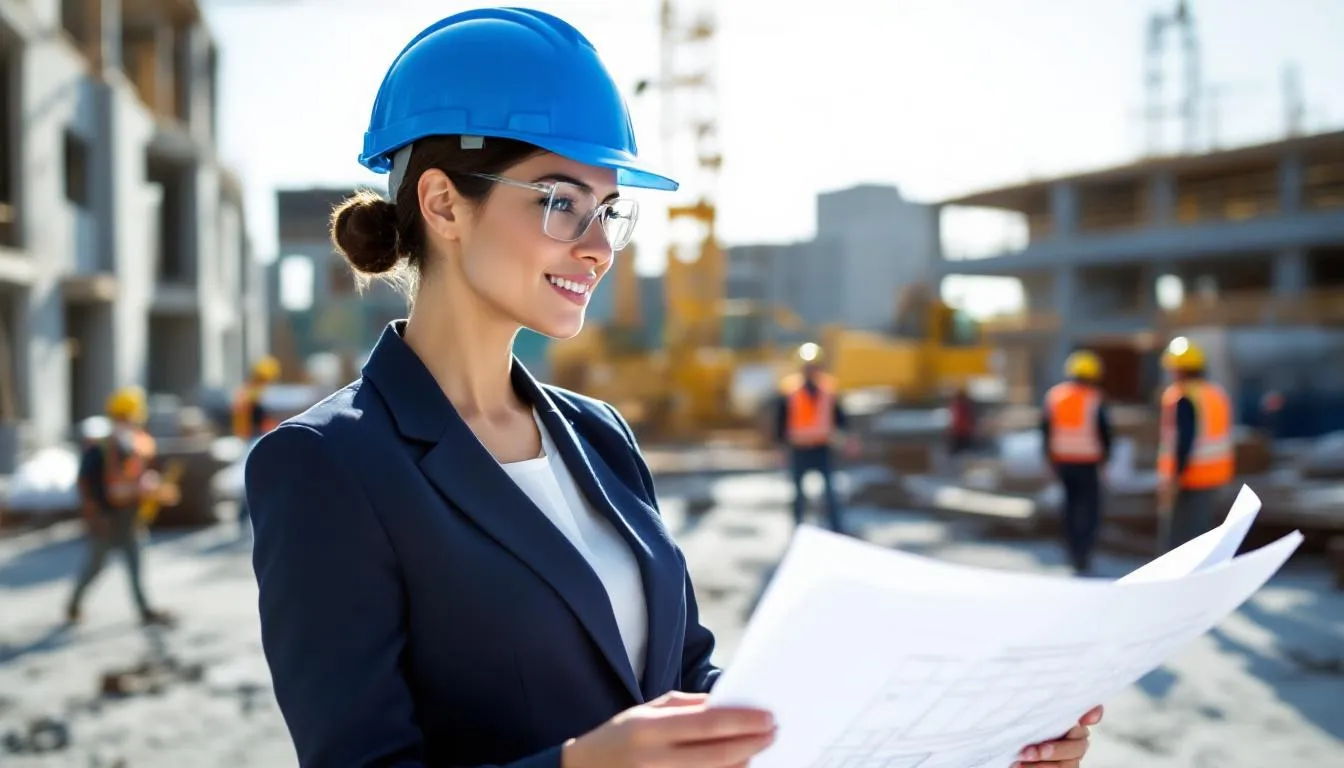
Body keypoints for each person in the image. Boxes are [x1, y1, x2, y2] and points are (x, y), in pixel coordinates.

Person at [243, 8, 1102, 767]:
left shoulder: (599, 435)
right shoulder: (329, 469)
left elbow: (690, 680)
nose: (599, 246)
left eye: (609, 210)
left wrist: (968, 739)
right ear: (442, 203)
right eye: (559, 201)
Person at [66, 386, 174, 626]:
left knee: (136, 565)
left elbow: (134, 478)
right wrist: (96, 515)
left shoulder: (134, 446)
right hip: (107, 519)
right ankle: (73, 605)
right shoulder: (99, 448)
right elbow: (93, 487)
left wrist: (150, 487)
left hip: (130, 517)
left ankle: (145, 610)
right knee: (94, 566)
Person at [1156, 336, 1235, 553]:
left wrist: (1174, 477)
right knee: (1201, 534)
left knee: (1180, 539)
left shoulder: (1184, 397)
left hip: (1190, 477)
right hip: (1213, 475)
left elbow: (1184, 440)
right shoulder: (1215, 393)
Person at [774, 342, 858, 534]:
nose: (811, 370)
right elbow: (781, 421)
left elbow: (840, 417)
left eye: (814, 367)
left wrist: (850, 439)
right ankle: (798, 530)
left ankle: (837, 530)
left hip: (822, 448)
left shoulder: (828, 390)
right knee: (798, 496)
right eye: (807, 367)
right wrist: (780, 447)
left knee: (830, 493)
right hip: (799, 449)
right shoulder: (790, 390)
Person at [1042, 350, 1112, 575]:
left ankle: (1073, 552)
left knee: (1070, 507)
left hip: (1063, 462)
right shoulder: (1095, 398)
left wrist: (1049, 459)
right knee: (1089, 509)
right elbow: (1105, 433)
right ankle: (1084, 553)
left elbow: (1045, 430)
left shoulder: (1055, 396)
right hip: (1088, 463)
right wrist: (1106, 459)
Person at [233, 355, 281, 531]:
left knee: (250, 477)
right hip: (253, 439)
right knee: (251, 477)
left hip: (252, 438)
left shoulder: (249, 392)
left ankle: (245, 514)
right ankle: (244, 514)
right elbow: (257, 419)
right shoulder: (252, 394)